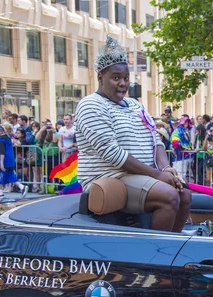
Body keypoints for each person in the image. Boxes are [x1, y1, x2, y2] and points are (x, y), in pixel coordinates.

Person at [75, 36, 190, 232]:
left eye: (126, 78)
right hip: (112, 176)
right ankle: (154, 256)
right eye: (116, 77)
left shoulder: (136, 105)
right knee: (169, 196)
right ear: (100, 77)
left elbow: (156, 141)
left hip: (142, 175)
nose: (122, 83)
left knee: (185, 196)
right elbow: (113, 154)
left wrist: (166, 169)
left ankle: (173, 250)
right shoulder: (90, 105)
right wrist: (157, 175)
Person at [0, 124, 28, 198]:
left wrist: (1, 163)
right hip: (10, 160)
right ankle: (21, 187)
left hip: (3, 160)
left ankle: (0, 192)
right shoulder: (8, 137)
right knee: (10, 175)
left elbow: (2, 152)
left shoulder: (0, 140)